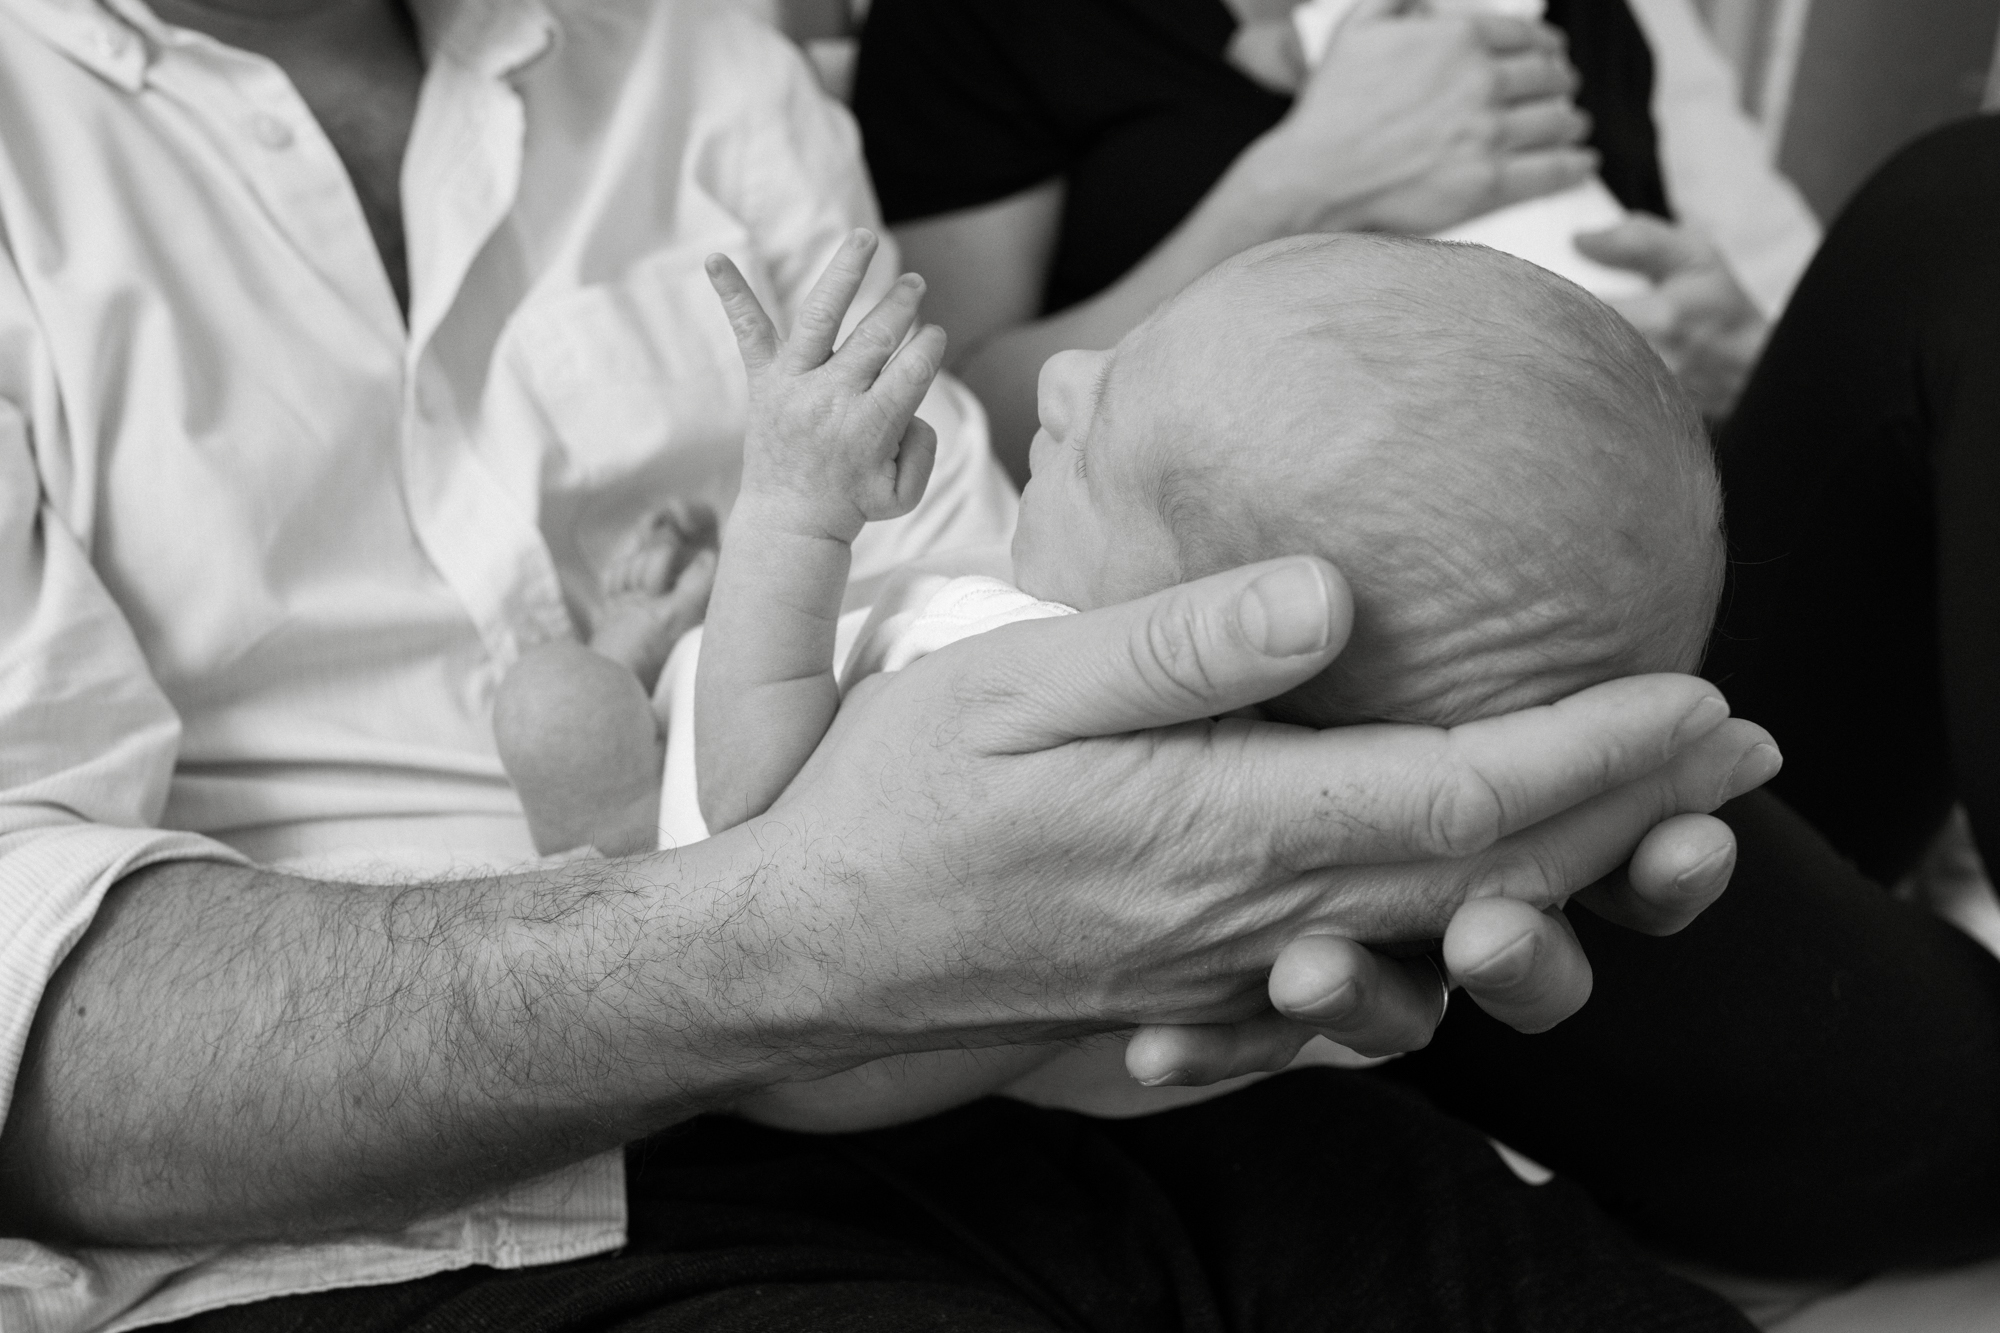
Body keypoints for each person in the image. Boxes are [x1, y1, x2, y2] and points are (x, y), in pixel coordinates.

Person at [0, 2, 1773, 1331]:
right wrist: (785, 884)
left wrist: (1272, 842)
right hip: (427, 1197)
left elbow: (962, 561)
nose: (1063, 401)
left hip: (1070, 1065)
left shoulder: (696, 57)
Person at [664, 226, 1723, 1136]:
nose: (1059, 379)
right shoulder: (1269, 864)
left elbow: (754, 825)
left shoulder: (1011, 687)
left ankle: (629, 702)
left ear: (1219, 642)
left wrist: (793, 508)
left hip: (727, 1023)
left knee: (559, 706)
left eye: (1093, 440)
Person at [852, 0, 1806, 478]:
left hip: (1605, 510)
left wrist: (1740, 357)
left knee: (1945, 218)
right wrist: (1300, 191)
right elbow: (951, 430)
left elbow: (1627, 280)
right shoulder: (987, 20)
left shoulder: (1567, 18)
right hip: (1250, 562)